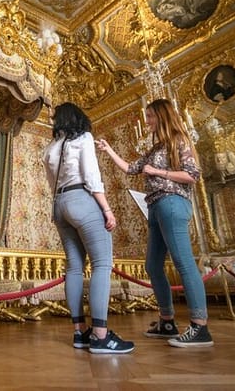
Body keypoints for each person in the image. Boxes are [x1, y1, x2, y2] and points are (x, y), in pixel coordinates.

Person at [96, 98, 214, 348]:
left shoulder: (179, 140)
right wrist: (108, 150)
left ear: (162, 116)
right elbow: (131, 168)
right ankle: (167, 321)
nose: (147, 120)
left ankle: (200, 326)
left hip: (173, 203)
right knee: (152, 266)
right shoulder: (155, 147)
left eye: (150, 116)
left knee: (183, 263)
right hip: (155, 207)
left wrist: (158, 172)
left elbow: (192, 176)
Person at [43, 101, 135, 354]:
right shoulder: (83, 138)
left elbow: (52, 182)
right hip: (81, 199)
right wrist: (106, 209)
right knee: (102, 264)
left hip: (59, 204)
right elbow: (92, 177)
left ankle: (79, 333)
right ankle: (101, 335)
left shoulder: (51, 148)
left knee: (74, 267)